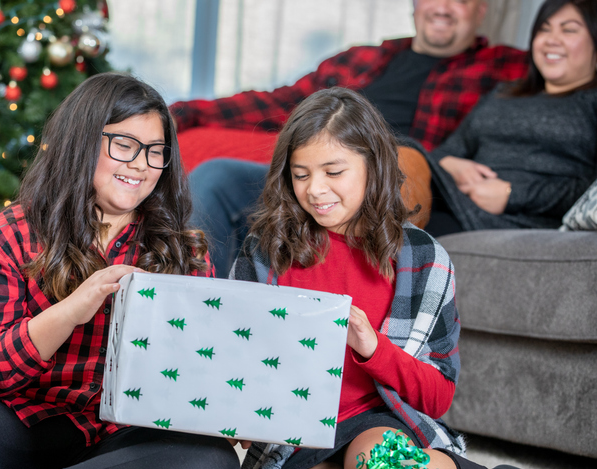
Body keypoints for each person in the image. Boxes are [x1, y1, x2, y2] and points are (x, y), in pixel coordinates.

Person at [0, 73, 240, 469]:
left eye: (156, 151)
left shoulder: (185, 252)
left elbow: (193, 375)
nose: (141, 164)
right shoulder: (11, 233)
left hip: (122, 447)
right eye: (124, 145)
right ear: (82, 142)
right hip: (22, 428)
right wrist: (68, 313)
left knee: (212, 460)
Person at [231, 87, 554, 469]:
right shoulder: (265, 252)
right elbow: (236, 361)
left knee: (380, 468)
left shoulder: (423, 257)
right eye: (301, 175)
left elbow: (437, 396)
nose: (315, 189)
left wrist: (374, 348)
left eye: (333, 172)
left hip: (381, 421)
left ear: (373, 166)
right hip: (298, 442)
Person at [170, 0, 529, 277]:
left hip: (400, 179)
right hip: (319, 169)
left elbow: (546, 126)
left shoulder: (507, 68)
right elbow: (280, 102)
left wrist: (449, 164)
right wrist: (186, 113)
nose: (443, 8)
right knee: (216, 177)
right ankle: (193, 309)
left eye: (461, 0)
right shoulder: (361, 59)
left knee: (394, 165)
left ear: (481, 11)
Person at [424, 0, 597, 237]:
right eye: (544, 29)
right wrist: (451, 164)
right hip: (455, 199)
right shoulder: (504, 92)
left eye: (569, 30)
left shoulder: (590, 102)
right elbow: (444, 153)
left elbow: (590, 188)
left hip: (519, 222)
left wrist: (512, 195)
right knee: (402, 153)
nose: (551, 40)